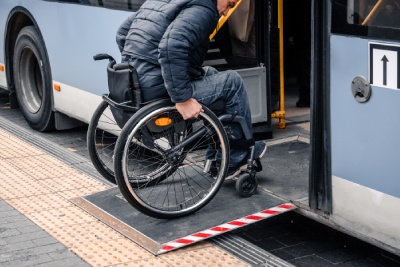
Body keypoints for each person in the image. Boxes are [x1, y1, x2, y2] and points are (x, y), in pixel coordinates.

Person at [116, 0, 267, 179]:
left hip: (136, 83)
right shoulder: (205, 9)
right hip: (159, 88)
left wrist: (141, 66)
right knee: (232, 82)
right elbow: (170, 47)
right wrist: (182, 99)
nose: (226, 13)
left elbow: (122, 33)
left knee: (210, 73)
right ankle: (235, 158)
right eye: (230, 4)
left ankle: (216, 152)